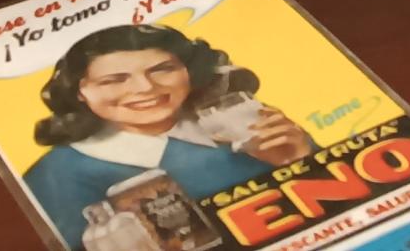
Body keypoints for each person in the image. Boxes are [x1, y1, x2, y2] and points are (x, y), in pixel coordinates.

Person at [20, 24, 314, 247]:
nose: (146, 88)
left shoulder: (240, 119)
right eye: (114, 80)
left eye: (162, 70)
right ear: (79, 92)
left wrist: (301, 160)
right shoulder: (56, 176)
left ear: (189, 72)